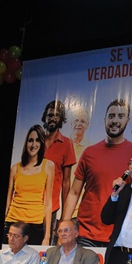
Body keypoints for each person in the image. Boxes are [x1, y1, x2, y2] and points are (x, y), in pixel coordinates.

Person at [62, 99, 132, 247]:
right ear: (105, 119)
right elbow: (74, 192)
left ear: (127, 120)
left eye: (120, 116)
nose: (115, 120)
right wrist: (65, 225)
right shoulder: (89, 152)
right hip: (86, 234)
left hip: (121, 235)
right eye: (111, 116)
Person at [5, 124, 55, 245]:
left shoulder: (48, 166)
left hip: (35, 224)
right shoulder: (15, 168)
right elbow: (8, 200)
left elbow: (48, 203)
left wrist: (47, 236)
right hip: (13, 222)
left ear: (42, 143)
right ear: (26, 143)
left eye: (37, 140)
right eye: (30, 140)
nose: (33, 144)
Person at [41, 100, 77, 243]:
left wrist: (64, 216)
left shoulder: (66, 143)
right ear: (45, 117)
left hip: (51, 206)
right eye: (50, 115)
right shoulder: (36, 141)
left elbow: (66, 182)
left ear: (61, 119)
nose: (52, 118)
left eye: (56, 115)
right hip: (31, 205)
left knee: (46, 248)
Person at [69, 107, 91, 220]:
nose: (79, 124)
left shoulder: (90, 149)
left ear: (87, 125)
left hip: (77, 211)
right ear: (71, 123)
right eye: (76, 120)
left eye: (82, 121)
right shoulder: (63, 145)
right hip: (55, 207)